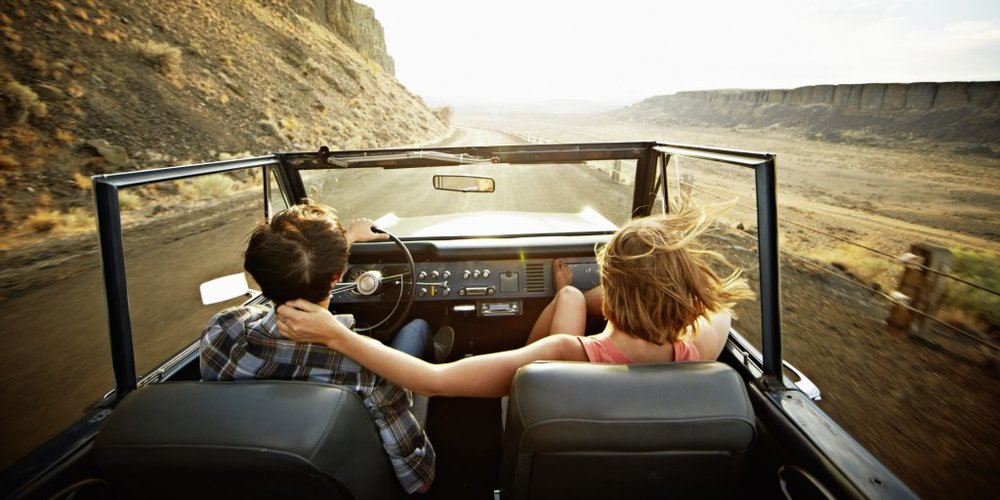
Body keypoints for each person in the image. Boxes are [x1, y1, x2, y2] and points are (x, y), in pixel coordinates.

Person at [276, 207, 753, 398]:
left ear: (610, 294)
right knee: (568, 295)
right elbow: (718, 309)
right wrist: (661, 291)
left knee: (565, 299)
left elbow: (434, 380)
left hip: (542, 422)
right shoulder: (702, 349)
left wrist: (336, 331)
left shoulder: (561, 353)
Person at [199, 203, 440, 494]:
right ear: (338, 277)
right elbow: (420, 481)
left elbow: (296, 271)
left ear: (260, 277)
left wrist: (341, 246)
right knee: (416, 329)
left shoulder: (222, 331)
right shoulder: (368, 370)